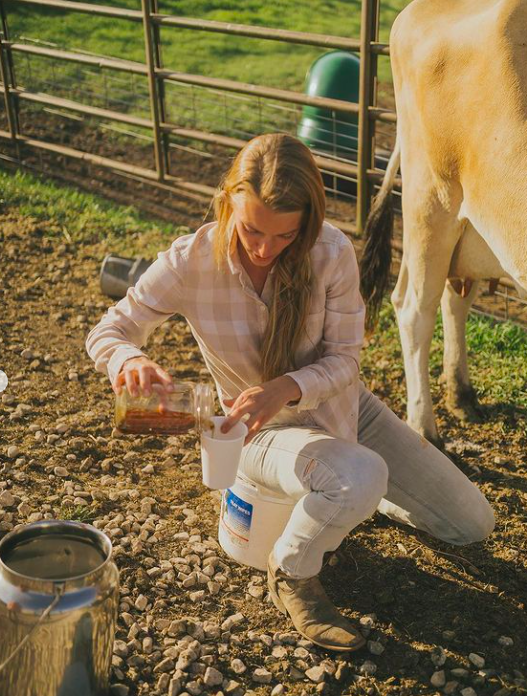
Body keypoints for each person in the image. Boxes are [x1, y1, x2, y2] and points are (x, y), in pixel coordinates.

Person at [85, 133, 495, 653]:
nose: (263, 248)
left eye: (284, 236)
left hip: (347, 410)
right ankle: (293, 572)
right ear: (227, 201)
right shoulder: (190, 260)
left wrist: (285, 387)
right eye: (252, 229)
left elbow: (346, 359)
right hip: (258, 430)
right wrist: (131, 359)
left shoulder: (331, 252)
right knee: (360, 476)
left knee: (472, 524)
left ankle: (359, 491)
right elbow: (108, 331)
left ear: (308, 221)